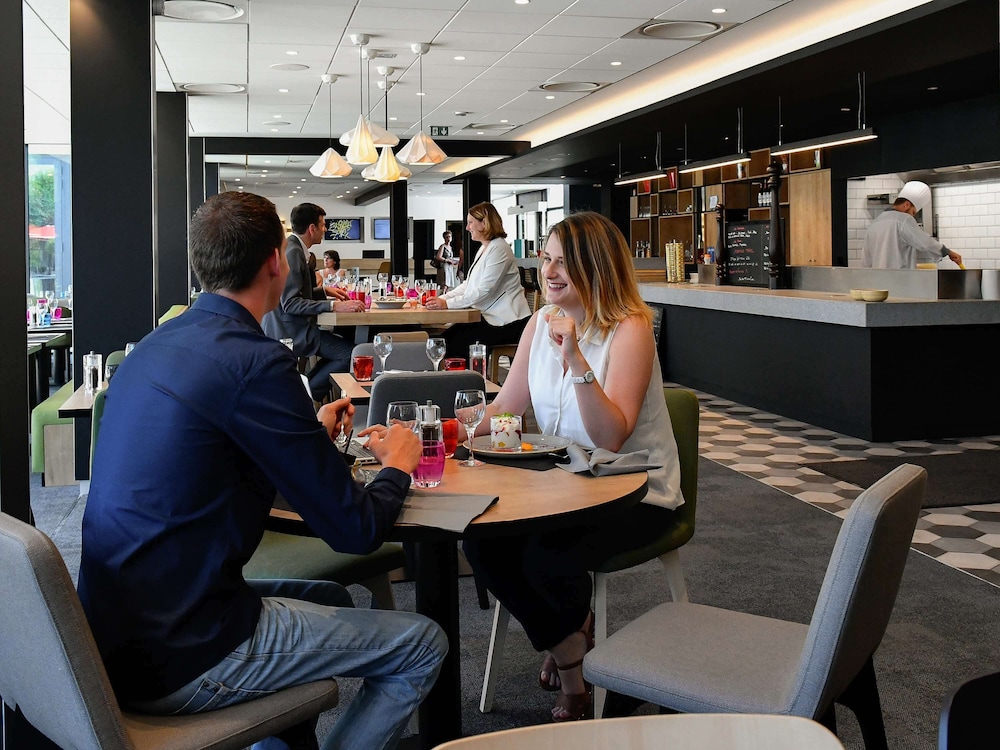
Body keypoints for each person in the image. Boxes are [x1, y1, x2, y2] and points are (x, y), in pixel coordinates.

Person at [76, 191, 447, 750]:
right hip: (185, 653)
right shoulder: (256, 362)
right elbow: (356, 530)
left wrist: (306, 434)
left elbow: (206, 458)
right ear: (276, 261)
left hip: (112, 636)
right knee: (422, 643)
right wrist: (397, 462)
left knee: (330, 597)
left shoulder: (153, 348)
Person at [461, 211, 683, 723]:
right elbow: (507, 408)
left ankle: (573, 678)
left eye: (564, 261)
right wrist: (451, 432)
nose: (549, 271)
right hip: (565, 487)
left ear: (596, 266)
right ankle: (572, 639)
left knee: (543, 554)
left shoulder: (631, 328)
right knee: (481, 541)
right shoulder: (539, 323)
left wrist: (577, 360)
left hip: (634, 493)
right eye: (546, 259)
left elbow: (610, 436)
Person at [262, 203, 364, 402]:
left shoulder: (293, 248)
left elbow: (294, 294)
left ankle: (304, 388)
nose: (325, 229)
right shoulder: (294, 252)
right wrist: (333, 305)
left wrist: (323, 291)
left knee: (341, 351)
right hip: (291, 332)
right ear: (312, 228)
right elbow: (290, 303)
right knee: (352, 354)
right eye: (323, 225)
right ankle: (304, 397)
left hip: (291, 327)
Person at [425, 202, 531, 358]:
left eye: (470, 222)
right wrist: (442, 299)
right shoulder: (485, 247)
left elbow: (484, 291)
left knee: (452, 343)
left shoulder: (499, 249)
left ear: (484, 223)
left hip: (507, 322)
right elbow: (468, 285)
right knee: (446, 339)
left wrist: (446, 304)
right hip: (489, 318)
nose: (467, 227)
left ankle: (471, 374)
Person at [862, 180, 963, 269]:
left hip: (877, 281)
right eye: (913, 212)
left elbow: (866, 260)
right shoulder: (903, 219)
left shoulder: (875, 223)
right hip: (900, 280)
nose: (912, 216)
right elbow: (924, 242)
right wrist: (947, 252)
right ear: (906, 205)